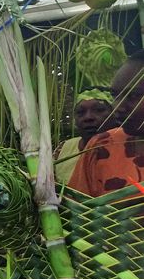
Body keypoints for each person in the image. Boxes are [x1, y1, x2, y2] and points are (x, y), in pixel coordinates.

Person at [69, 50, 144, 196]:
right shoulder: (101, 146)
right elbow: (78, 212)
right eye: (115, 95)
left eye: (133, 95)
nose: (119, 106)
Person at [55, 89, 114, 185]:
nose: (88, 117)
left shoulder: (130, 149)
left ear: (114, 113)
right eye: (81, 112)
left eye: (98, 110)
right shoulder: (63, 149)